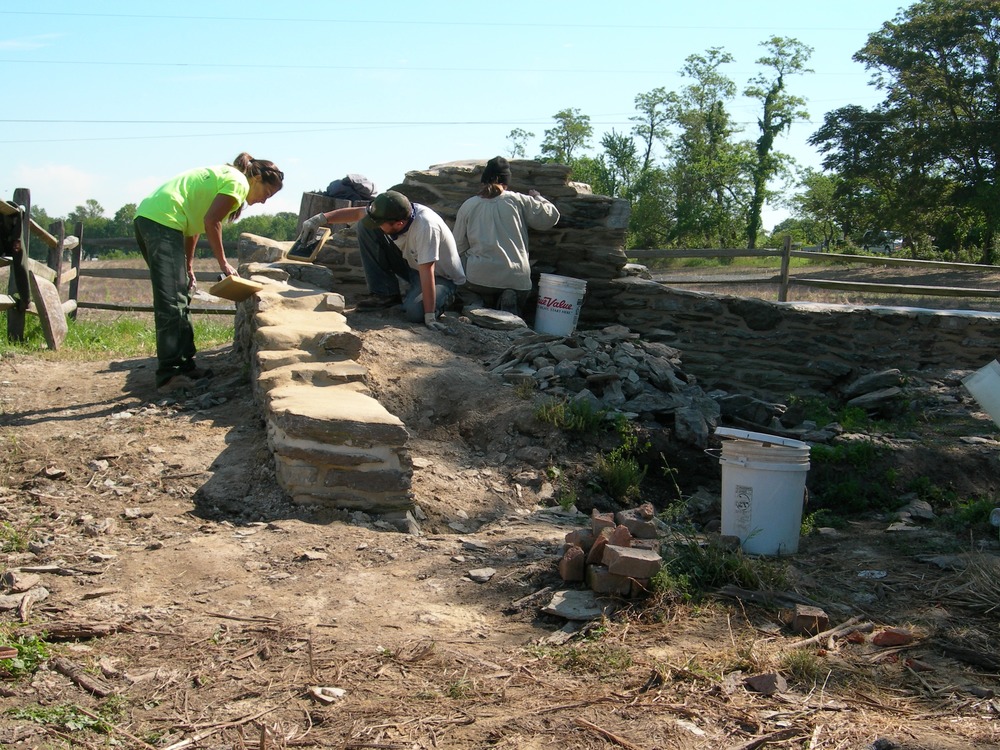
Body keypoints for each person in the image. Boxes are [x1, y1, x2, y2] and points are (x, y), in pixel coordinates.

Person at [134, 152, 284, 392]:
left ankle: (185, 366)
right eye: (267, 193)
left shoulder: (226, 177)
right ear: (256, 178)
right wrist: (224, 263)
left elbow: (195, 227)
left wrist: (188, 266)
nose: (264, 201)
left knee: (180, 296)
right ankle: (169, 376)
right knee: (171, 302)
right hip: (161, 221)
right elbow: (211, 222)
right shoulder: (238, 181)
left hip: (158, 219)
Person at [298, 190, 465, 331]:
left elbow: (427, 270)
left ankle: (448, 298)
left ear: (399, 223)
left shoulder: (426, 227)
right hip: (412, 265)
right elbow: (357, 214)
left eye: (380, 223)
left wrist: (430, 316)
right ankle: (385, 294)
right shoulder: (393, 211)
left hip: (440, 277)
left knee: (415, 314)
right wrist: (319, 219)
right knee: (364, 225)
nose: (377, 225)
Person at [452, 156, 560, 315]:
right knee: (515, 287)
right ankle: (508, 299)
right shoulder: (519, 200)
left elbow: (457, 246)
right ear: (506, 182)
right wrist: (538, 197)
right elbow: (550, 217)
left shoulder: (469, 205)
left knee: (458, 278)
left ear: (483, 181)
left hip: (478, 279)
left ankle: (475, 303)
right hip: (516, 279)